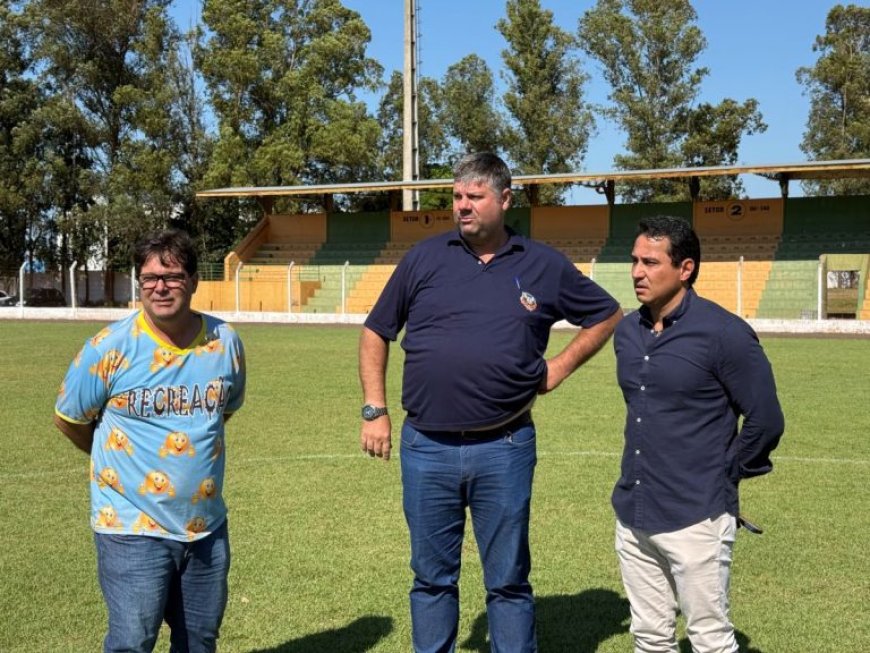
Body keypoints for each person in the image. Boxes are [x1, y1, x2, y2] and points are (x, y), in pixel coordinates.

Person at [359, 152, 622, 653]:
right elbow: (376, 330)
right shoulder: (423, 258)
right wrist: (375, 408)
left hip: (504, 446)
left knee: (507, 580)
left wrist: (558, 368)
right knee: (431, 577)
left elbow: (606, 314)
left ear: (504, 199)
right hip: (426, 447)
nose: (462, 206)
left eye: (474, 197)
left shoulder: (541, 264)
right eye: (457, 196)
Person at [54, 229, 246, 653]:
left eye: (173, 276)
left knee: (199, 641)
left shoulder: (225, 342)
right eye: (149, 278)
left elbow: (222, 411)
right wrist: (114, 459)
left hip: (206, 527)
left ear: (194, 281)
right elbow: (69, 417)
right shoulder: (109, 347)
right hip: (130, 526)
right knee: (132, 643)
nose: (160, 287)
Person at [611, 216, 784, 653]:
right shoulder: (627, 332)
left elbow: (766, 420)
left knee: (709, 638)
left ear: (685, 269)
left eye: (650, 262)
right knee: (649, 637)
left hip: (697, 515)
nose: (637, 272)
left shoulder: (724, 333)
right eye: (634, 261)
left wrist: (724, 473)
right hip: (633, 512)